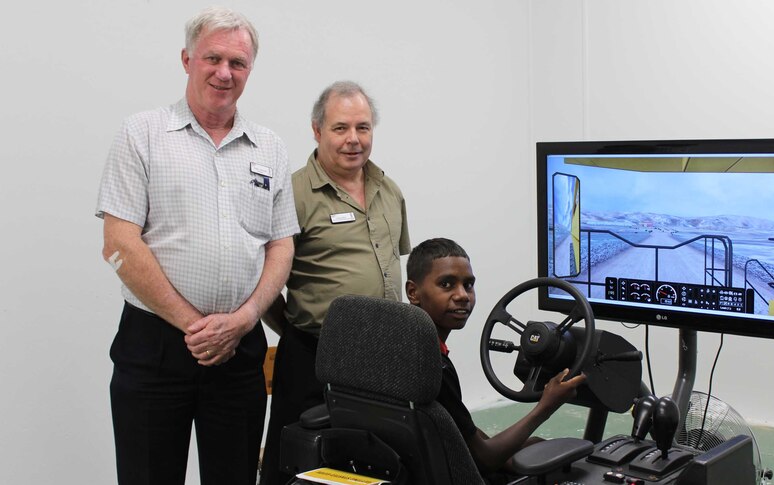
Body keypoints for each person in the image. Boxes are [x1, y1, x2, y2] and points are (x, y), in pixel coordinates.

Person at [95, 7, 298, 485]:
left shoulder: (268, 147)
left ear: (250, 69)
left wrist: (243, 322)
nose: (224, 73)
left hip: (239, 351)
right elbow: (119, 242)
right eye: (213, 58)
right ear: (187, 59)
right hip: (155, 348)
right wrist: (196, 328)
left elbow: (281, 246)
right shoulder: (142, 134)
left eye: (238, 63)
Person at [259, 81, 411, 485]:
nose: (353, 140)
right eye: (340, 128)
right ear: (317, 130)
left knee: (374, 467)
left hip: (381, 361)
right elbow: (263, 282)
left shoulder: (388, 190)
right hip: (313, 359)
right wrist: (294, 329)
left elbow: (394, 266)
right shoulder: (292, 194)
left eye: (363, 128)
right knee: (297, 467)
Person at [405, 238, 586, 480]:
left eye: (468, 285)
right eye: (446, 284)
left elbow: (455, 427)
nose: (462, 296)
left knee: (533, 444)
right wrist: (546, 405)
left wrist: (510, 448)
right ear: (413, 292)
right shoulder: (435, 366)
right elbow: (485, 460)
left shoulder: (405, 350)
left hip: (419, 471)